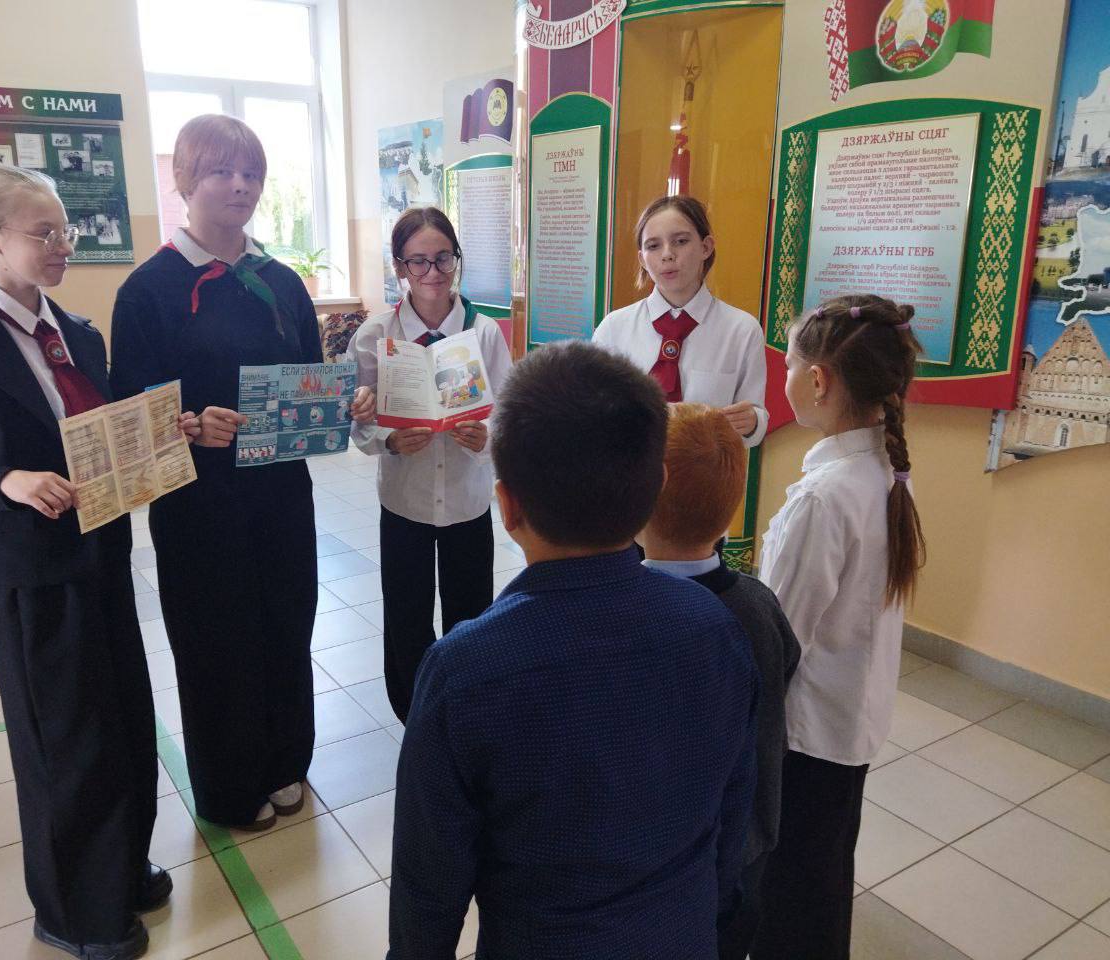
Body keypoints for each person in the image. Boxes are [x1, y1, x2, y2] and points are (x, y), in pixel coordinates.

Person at [388, 340, 759, 960]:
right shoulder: (717, 630)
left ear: (507, 505)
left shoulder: (466, 670)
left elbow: (428, 888)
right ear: (657, 486)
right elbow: (732, 820)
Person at [0, 164, 171, 960]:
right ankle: (72, 911)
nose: (64, 245)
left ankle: (121, 868)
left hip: (101, 552)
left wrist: (166, 433)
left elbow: (108, 430)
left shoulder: (78, 335)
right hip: (29, 572)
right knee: (65, 744)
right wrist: (9, 481)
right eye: (45, 233)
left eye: (67, 230)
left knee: (123, 720)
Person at [110, 114, 374, 831]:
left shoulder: (280, 282)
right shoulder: (149, 290)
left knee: (286, 623)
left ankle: (287, 760)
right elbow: (129, 411)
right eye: (221, 172)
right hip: (198, 504)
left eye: (251, 173)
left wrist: (342, 401)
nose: (240, 186)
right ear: (183, 179)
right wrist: (190, 424)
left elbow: (309, 377)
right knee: (216, 639)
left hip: (281, 493)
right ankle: (229, 786)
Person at [750, 295, 926, 960]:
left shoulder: (824, 499)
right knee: (823, 873)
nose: (786, 377)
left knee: (793, 890)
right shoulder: (884, 472)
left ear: (818, 380)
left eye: (789, 365)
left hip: (807, 734)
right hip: (849, 720)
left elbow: (779, 637)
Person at [638, 403, 800, 960]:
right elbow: (786, 667)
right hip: (745, 846)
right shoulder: (759, 605)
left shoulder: (627, 613)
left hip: (654, 860)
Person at [346, 206, 512, 724]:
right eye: (418, 261)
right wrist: (389, 439)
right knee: (406, 615)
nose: (433, 272)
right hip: (405, 503)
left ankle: (466, 716)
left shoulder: (484, 332)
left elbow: (509, 416)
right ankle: (415, 718)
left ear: (456, 259)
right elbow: (358, 422)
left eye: (443, 258)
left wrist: (486, 438)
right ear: (400, 266)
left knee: (470, 614)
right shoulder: (376, 335)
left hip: (467, 500)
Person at [593, 195, 767, 448]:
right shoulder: (613, 328)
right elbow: (593, 412)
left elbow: (756, 419)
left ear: (706, 247)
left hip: (707, 470)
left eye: (681, 241)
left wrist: (752, 421)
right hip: (627, 468)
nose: (667, 254)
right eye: (653, 246)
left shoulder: (742, 330)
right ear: (642, 259)